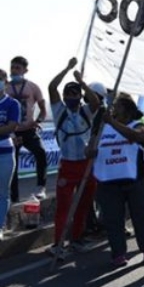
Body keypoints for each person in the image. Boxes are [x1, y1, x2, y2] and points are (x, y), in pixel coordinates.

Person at [88, 93, 144, 268]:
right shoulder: (102, 128)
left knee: (141, 216)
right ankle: (118, 254)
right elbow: (90, 147)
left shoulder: (139, 125)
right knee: (113, 219)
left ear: (128, 110)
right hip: (108, 181)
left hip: (135, 180)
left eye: (118, 106)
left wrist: (113, 123)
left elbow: (139, 136)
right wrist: (90, 150)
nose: (114, 109)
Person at [47, 58, 101, 257]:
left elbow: (95, 101)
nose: (71, 96)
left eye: (74, 93)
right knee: (64, 207)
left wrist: (82, 82)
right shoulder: (59, 110)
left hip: (87, 166)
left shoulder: (87, 111)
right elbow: (52, 86)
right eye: (67, 94)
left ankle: (76, 239)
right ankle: (58, 244)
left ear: (79, 96)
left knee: (83, 205)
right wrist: (67, 68)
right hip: (68, 166)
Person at [8, 56, 48, 201]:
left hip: (29, 130)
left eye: (17, 68)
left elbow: (43, 110)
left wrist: (39, 121)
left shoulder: (33, 87)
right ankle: (14, 198)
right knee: (12, 164)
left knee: (41, 152)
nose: (14, 70)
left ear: (25, 70)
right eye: (12, 67)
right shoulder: (5, 87)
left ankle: (41, 187)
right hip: (12, 132)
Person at [0, 69, 21, 242]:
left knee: (2, 192)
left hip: (5, 153)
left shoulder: (12, 104)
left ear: (6, 82)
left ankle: (0, 226)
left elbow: (11, 126)